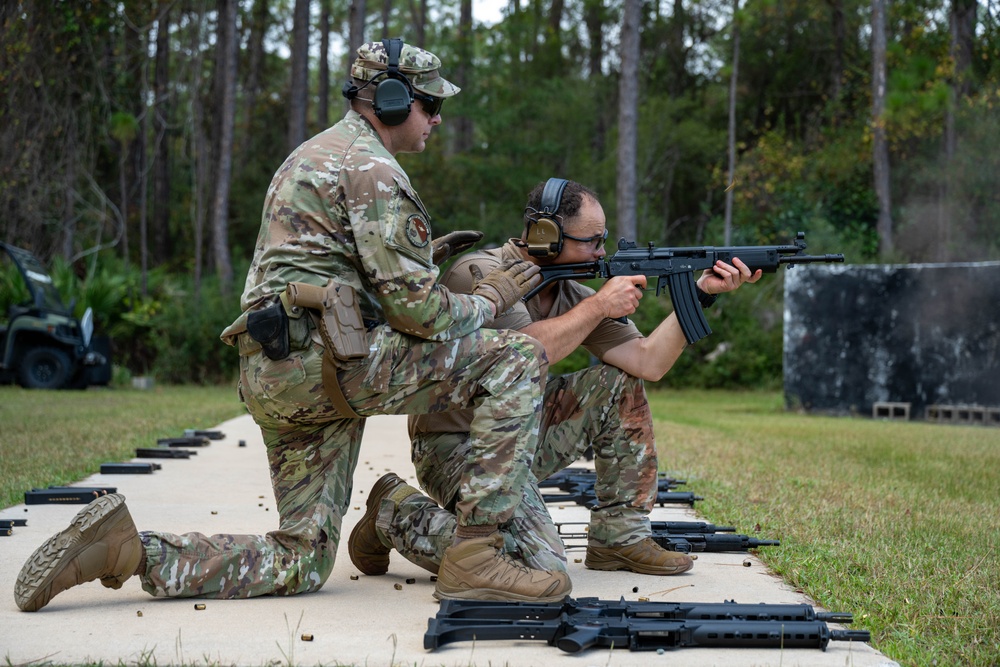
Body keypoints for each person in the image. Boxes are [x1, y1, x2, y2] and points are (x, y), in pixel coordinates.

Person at [13, 39, 572, 613]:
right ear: (393, 99)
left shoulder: (312, 155)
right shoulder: (374, 169)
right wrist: (490, 296)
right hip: (326, 363)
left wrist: (421, 261)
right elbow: (420, 316)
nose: (435, 119)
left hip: (276, 370)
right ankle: (476, 557)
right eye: (431, 106)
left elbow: (326, 266)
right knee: (517, 358)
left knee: (302, 557)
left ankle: (126, 552)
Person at [348, 178, 762, 580]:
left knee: (617, 384)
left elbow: (647, 362)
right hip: (456, 446)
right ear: (546, 235)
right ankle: (395, 511)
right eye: (592, 240)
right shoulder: (483, 274)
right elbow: (525, 351)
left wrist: (701, 293)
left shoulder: (571, 292)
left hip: (520, 436)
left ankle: (618, 537)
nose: (602, 251)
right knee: (535, 564)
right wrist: (599, 306)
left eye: (604, 239)